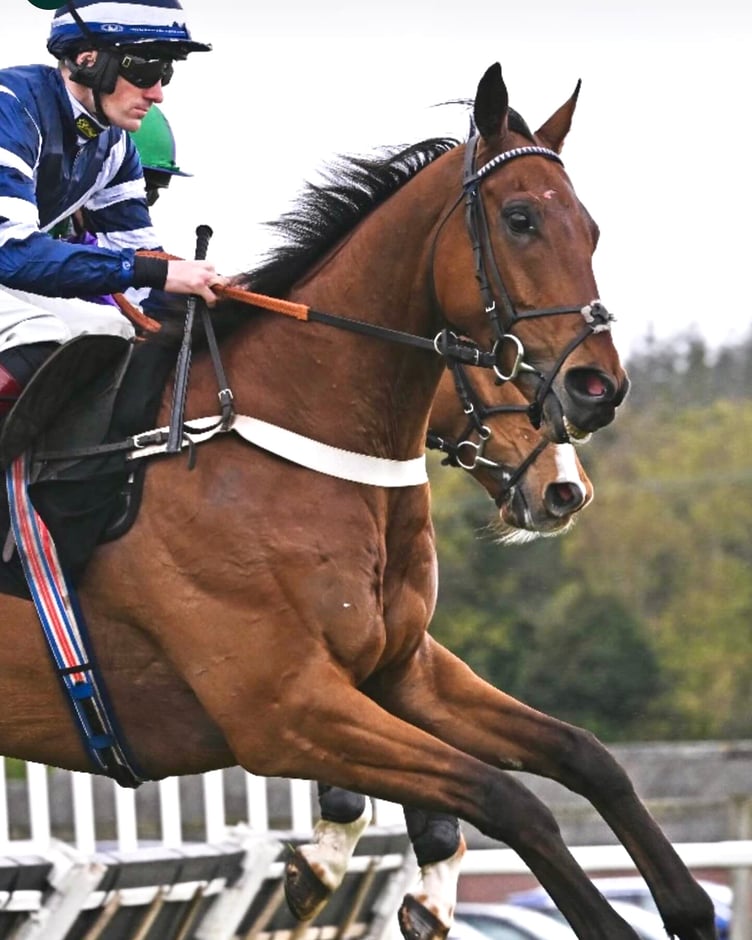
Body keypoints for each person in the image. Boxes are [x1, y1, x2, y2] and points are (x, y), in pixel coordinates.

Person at [0, 0, 227, 421]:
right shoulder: (9, 106)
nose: (157, 93)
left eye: (166, 72)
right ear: (88, 59)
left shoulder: (115, 147)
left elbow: (143, 276)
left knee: (113, 328)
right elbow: (10, 255)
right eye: (145, 69)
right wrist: (158, 272)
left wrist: (219, 299)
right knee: (38, 331)